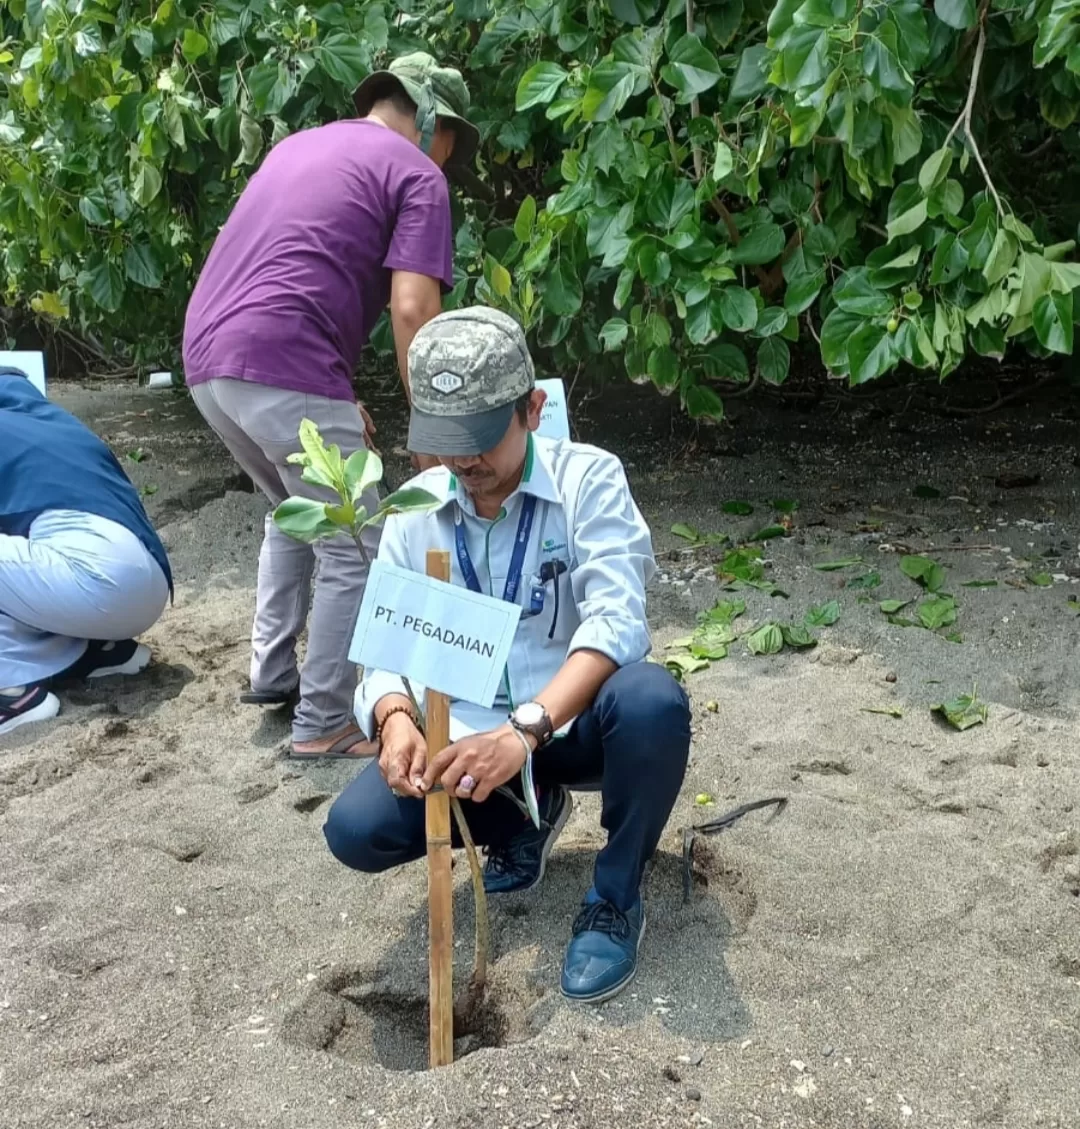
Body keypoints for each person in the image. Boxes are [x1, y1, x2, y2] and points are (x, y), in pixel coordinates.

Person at [323, 308, 692, 1003]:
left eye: (481, 439)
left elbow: (617, 622)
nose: (465, 462)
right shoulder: (414, 510)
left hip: (572, 724)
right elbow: (387, 653)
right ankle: (529, 815)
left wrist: (523, 732)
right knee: (356, 830)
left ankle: (614, 896)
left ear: (533, 407)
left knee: (652, 701)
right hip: (467, 739)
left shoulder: (590, 481)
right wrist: (395, 713)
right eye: (445, 441)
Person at [182, 52, 481, 760]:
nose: (450, 160)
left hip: (207, 357)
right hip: (286, 358)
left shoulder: (301, 145)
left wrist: (337, 392)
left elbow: (282, 264)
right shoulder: (417, 173)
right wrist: (435, 428)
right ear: (434, 123)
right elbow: (413, 308)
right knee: (358, 537)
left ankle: (272, 672)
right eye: (453, 145)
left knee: (298, 506)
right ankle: (324, 720)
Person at [0, 367, 172, 738]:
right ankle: (95, 652)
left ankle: (12, 693)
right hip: (150, 581)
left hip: (92, 585)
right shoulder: (41, 418)